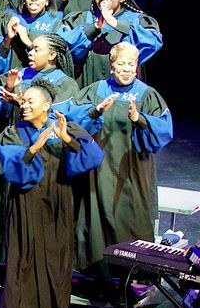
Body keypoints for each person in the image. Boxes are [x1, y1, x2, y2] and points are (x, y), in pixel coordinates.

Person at [0, 79, 103, 308]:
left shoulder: (65, 127)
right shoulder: (13, 132)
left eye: (31, 101)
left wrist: (66, 139)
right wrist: (32, 149)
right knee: (23, 263)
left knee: (57, 265)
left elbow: (93, 157)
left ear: (47, 105)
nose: (25, 105)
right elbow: (7, 166)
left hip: (58, 203)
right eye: (23, 101)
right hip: (25, 204)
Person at [69, 43, 172, 274]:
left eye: (131, 64)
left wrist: (139, 118)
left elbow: (163, 129)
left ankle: (135, 271)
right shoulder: (96, 90)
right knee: (97, 212)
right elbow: (73, 117)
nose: (126, 69)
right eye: (121, 64)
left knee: (131, 213)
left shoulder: (146, 94)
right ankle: (98, 268)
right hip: (100, 165)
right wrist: (96, 110)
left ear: (137, 66)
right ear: (111, 66)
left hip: (132, 164)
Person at [62, 0, 162, 87]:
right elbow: (70, 49)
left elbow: (151, 43)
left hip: (123, 86)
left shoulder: (135, 20)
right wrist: (95, 26)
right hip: (87, 85)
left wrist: (115, 23)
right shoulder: (85, 18)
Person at [0, 0, 66, 75]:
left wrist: (27, 42)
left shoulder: (54, 24)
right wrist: (8, 39)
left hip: (40, 81)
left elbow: (56, 61)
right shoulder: (10, 18)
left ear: (47, 1)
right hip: (11, 78)